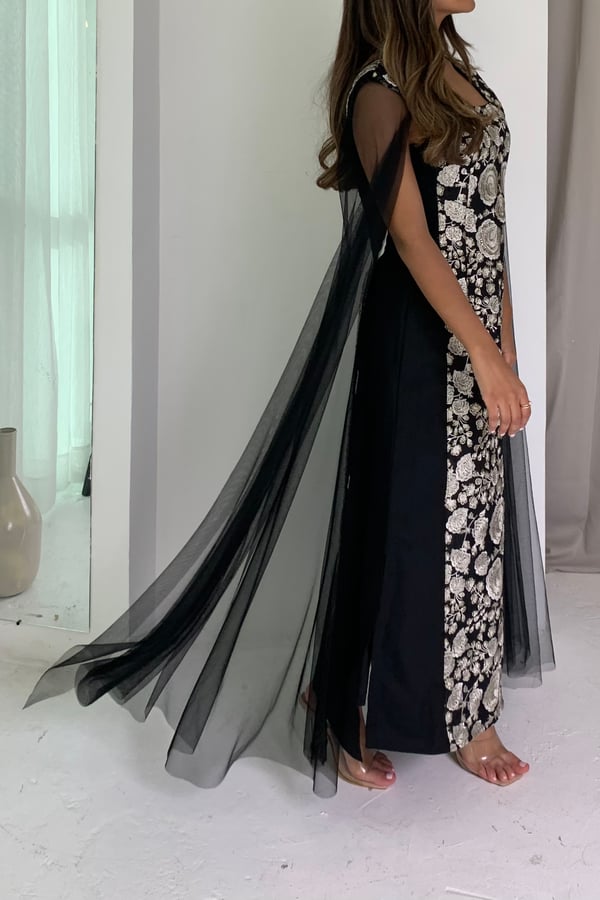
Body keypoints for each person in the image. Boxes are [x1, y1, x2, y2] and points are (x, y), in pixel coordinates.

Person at [25, 0, 554, 797]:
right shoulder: (378, 89)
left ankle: (462, 707)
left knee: (474, 525)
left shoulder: (460, 71)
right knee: (411, 528)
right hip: (420, 344)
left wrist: (505, 342)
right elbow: (412, 239)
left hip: (475, 339)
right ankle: (349, 704)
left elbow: (489, 226)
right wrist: (480, 351)